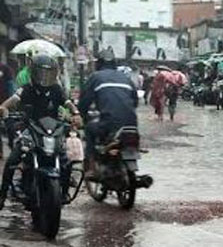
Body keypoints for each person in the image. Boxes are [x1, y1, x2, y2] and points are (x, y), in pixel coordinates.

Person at [0, 54, 82, 210]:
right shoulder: (26, 89)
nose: (45, 77)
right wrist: (4, 108)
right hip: (30, 130)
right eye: (41, 73)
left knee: (66, 159)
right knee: (12, 160)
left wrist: (76, 114)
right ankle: (2, 194)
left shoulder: (57, 89)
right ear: (34, 72)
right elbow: (12, 101)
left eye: (49, 73)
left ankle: (63, 191)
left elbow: (69, 103)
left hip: (52, 131)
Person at [78, 49, 138, 177]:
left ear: (99, 63)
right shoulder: (125, 78)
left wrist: (83, 115)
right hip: (132, 124)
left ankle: (90, 167)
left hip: (109, 123)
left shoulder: (95, 77)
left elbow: (84, 102)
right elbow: (135, 101)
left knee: (89, 129)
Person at [0, 63, 16, 158]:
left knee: (10, 127)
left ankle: (11, 143)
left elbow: (11, 86)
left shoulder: (5, 69)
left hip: (6, 103)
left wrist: (10, 104)